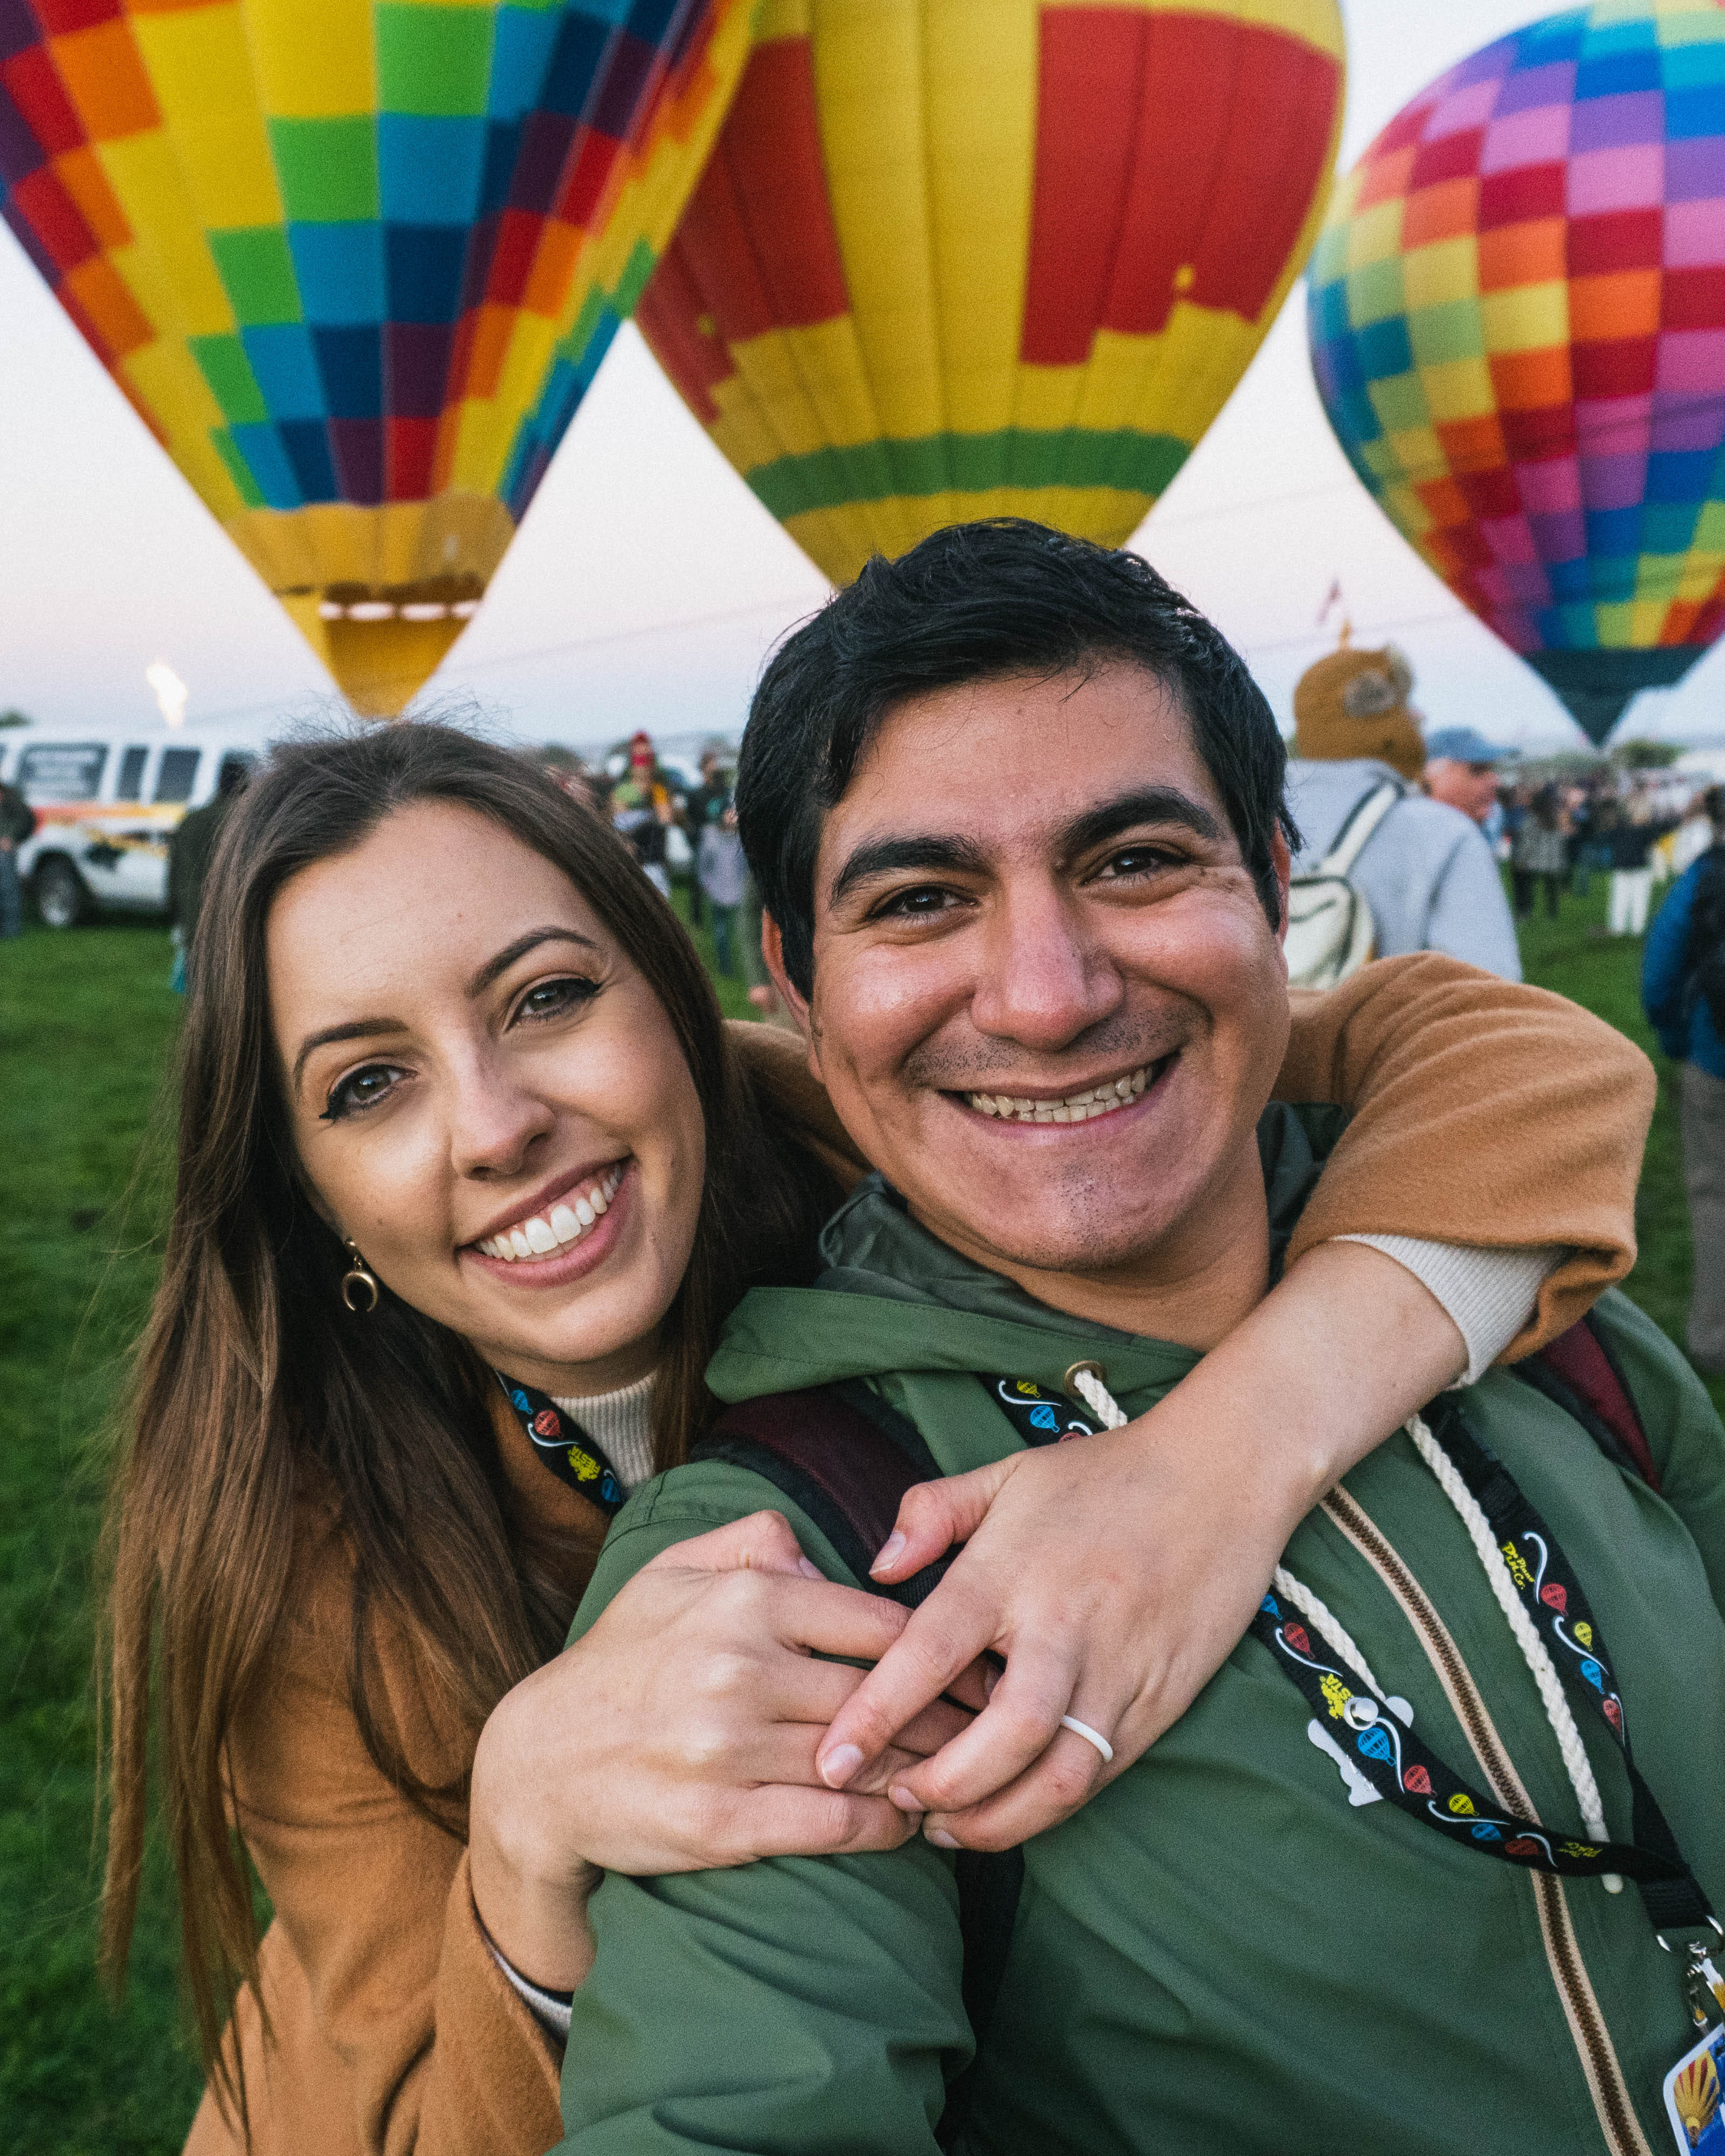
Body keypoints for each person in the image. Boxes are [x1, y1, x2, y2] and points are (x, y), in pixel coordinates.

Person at [114, 716, 1654, 2156]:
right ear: (311, 1199)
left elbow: (1521, 1062)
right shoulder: (307, 1563)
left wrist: (1211, 1470)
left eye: (549, 998)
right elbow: (409, 2118)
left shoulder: (885, 1115)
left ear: (686, 995)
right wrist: (520, 1832)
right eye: (371, 1084)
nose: (497, 1121)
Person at [551, 524, 1717, 2156]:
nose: (1043, 992)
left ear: (1273, 883)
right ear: (795, 993)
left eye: (1134, 862)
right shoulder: (795, 1557)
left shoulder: (1539, 1327)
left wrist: (1217, 1460)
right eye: (918, 897)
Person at [1286, 644, 1522, 979]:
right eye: (1405, 704)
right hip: (1381, 1030)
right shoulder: (1442, 834)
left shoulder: (1239, 819)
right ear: (1379, 720)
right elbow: (1488, 990)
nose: (1419, 716)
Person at [1643, 790, 1725, 1376]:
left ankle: (1712, 1337)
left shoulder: (1701, 881)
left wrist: (1676, 1043)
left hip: (1711, 1054)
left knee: (1713, 1194)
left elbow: (1660, 975)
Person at [168, 755, 250, 986]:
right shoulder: (244, 822)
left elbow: (173, 873)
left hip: (192, 916)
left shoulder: (191, 821)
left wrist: (175, 914)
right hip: (230, 920)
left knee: (199, 993)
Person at [607, 731, 675, 898]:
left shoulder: (659, 789)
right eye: (638, 759)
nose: (643, 764)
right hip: (631, 865)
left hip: (655, 863)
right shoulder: (623, 791)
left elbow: (665, 820)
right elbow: (620, 826)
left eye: (647, 758)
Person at [1422, 724, 1516, 826]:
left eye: (1491, 770)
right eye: (1478, 770)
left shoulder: (1494, 817)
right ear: (1434, 777)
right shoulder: (1411, 831)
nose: (1495, 783)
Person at [681, 744, 732, 927]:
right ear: (704, 768)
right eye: (712, 764)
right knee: (698, 878)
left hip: (720, 840)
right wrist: (694, 838)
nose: (715, 768)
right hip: (702, 840)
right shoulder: (696, 794)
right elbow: (689, 819)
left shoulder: (723, 791)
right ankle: (697, 918)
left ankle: (721, 908)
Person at [696, 801, 747, 977]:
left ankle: (747, 968)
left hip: (739, 890)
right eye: (729, 813)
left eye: (735, 813)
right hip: (717, 890)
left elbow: (747, 868)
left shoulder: (743, 838)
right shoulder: (710, 836)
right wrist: (706, 884)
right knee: (721, 931)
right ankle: (725, 966)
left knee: (743, 931)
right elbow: (703, 863)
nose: (732, 817)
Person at [1599, 798, 1658, 937]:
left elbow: (1606, 837)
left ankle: (1619, 927)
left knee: (1621, 897)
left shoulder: (1620, 827)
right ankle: (1635, 927)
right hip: (1638, 866)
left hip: (1624, 866)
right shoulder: (1645, 829)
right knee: (1638, 898)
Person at [1510, 783, 1569, 922]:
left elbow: (1527, 843)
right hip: (1552, 862)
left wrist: (1520, 860)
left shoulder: (1531, 820)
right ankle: (1552, 913)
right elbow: (1561, 841)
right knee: (1551, 887)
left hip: (1534, 861)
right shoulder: (1553, 820)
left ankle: (1525, 911)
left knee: (1522, 884)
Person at [0, 771, 36, 938]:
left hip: (4, 851)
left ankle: (11, 930)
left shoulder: (11, 797)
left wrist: (13, 838)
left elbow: (27, 820)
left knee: (8, 889)